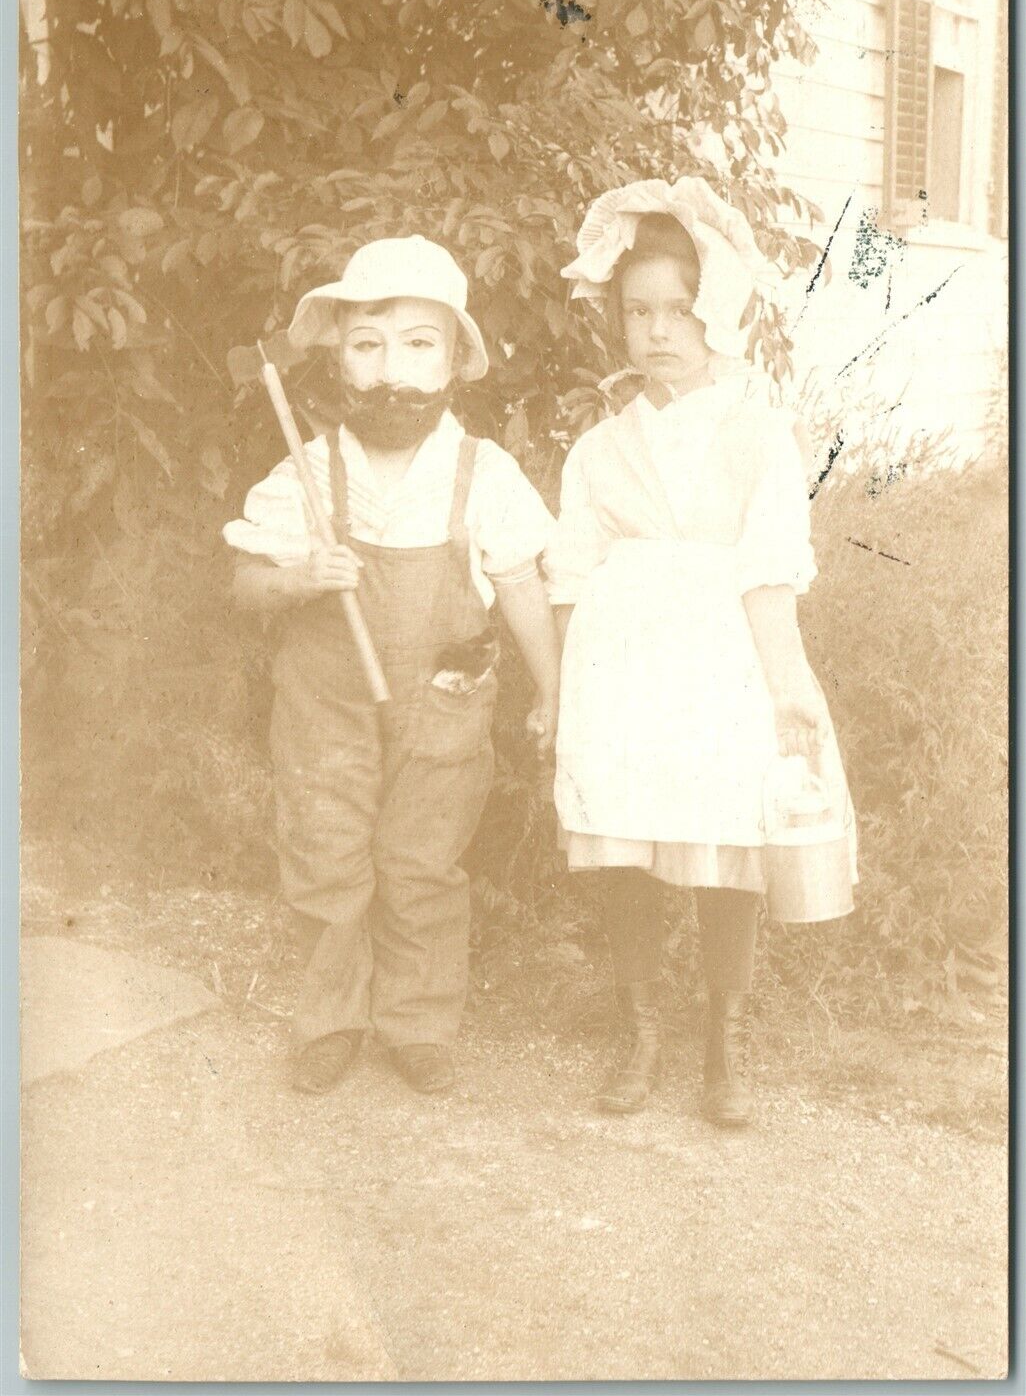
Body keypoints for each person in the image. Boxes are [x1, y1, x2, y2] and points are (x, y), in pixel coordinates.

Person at [545, 178, 856, 1127]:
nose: (658, 332)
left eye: (679, 310)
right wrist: (563, 694)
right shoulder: (599, 447)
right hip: (622, 672)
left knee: (730, 847)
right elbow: (568, 578)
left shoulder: (760, 435)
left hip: (721, 667)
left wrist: (789, 687)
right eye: (638, 313)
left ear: (715, 310)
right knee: (630, 847)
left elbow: (768, 570)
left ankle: (723, 1045)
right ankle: (639, 1031)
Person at [224, 235, 560, 1098]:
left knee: (422, 861)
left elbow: (520, 582)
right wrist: (299, 577)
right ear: (337, 354)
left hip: (442, 702)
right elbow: (245, 584)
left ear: (454, 359)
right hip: (325, 705)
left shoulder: (482, 472)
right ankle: (331, 1018)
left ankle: (417, 1021)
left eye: (417, 343)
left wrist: (554, 690)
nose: (390, 370)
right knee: (328, 851)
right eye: (367, 345)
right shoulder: (311, 467)